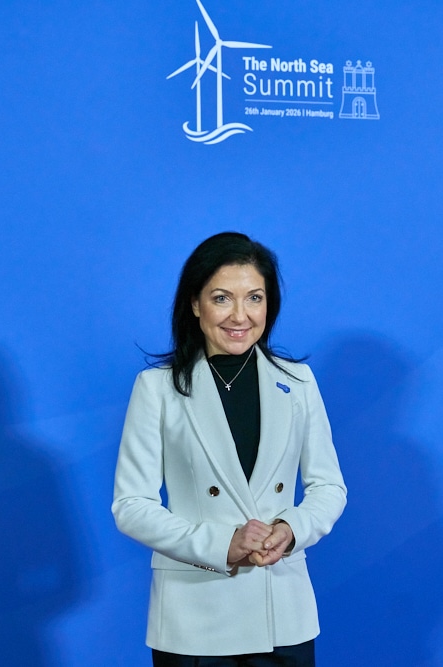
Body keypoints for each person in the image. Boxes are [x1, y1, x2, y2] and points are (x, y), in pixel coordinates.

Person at [112, 231, 347, 666]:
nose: (240, 315)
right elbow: (131, 505)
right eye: (222, 298)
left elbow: (329, 487)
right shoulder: (157, 389)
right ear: (194, 303)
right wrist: (223, 544)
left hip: (283, 614)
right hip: (194, 619)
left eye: (254, 298)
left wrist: (291, 529)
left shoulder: (298, 383)